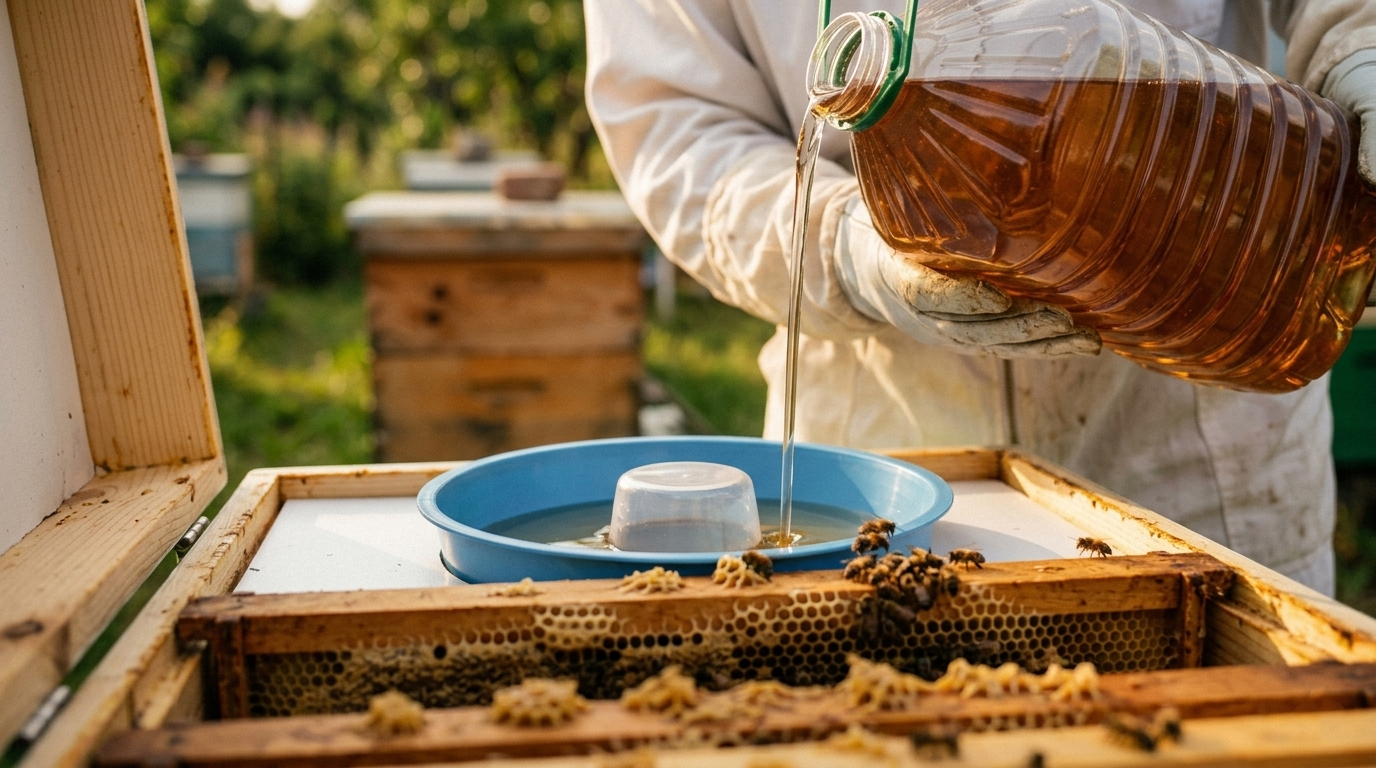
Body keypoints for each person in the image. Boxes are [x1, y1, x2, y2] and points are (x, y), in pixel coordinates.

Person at [584, 0, 1376, 595]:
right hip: (881, 460)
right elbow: (676, 122)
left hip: (1198, 443)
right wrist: (851, 247)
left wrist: (1362, 46)